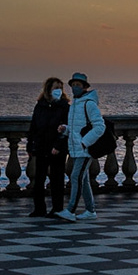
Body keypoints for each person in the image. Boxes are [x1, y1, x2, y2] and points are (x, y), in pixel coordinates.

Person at [58, 72, 104, 221]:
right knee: (82, 179)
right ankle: (90, 210)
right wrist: (66, 130)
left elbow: (99, 126)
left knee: (75, 176)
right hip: (77, 148)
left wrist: (85, 142)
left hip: (85, 149)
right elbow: (76, 128)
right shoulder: (74, 105)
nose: (75, 88)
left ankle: (71, 210)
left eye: (78, 85)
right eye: (73, 85)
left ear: (84, 87)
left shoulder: (89, 104)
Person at [24, 77, 69, 218]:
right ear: (48, 89)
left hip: (57, 149)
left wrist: (58, 145)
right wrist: (30, 145)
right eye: (56, 88)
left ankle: (57, 208)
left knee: (57, 180)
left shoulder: (65, 107)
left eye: (60, 88)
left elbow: (67, 128)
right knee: (39, 180)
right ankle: (39, 208)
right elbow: (34, 127)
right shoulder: (40, 106)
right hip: (41, 146)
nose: (58, 91)